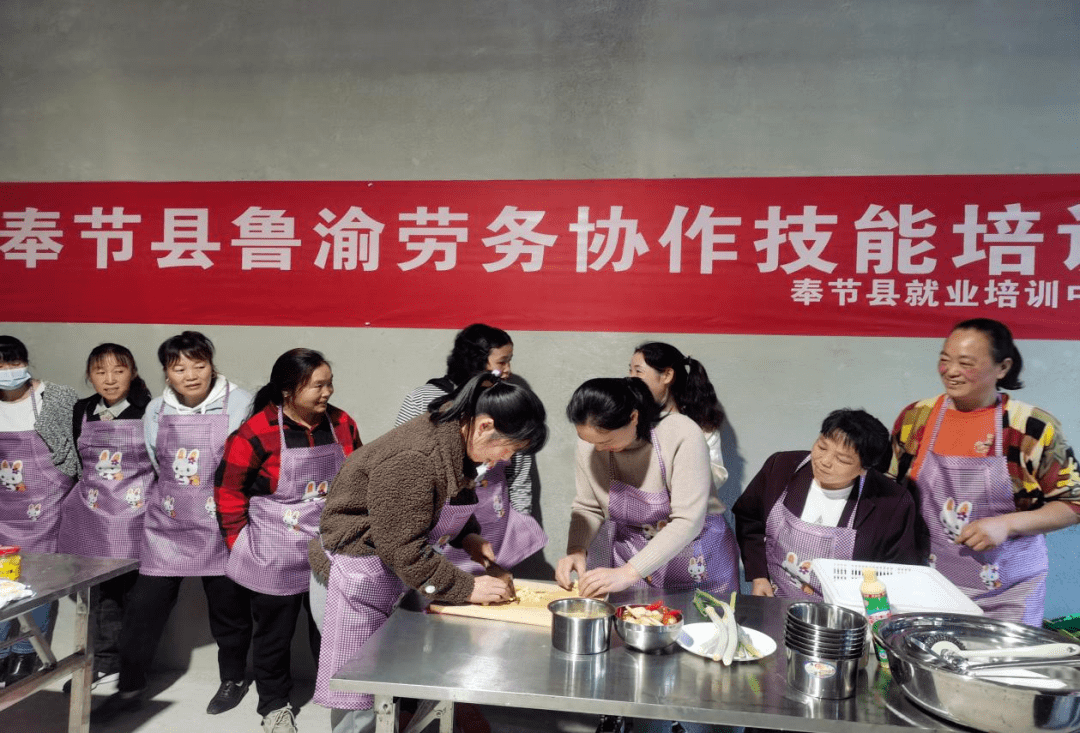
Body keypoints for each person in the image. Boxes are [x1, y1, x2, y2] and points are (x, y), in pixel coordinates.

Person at [311, 373, 547, 733]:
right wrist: (469, 588)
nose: (504, 459)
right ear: (485, 426)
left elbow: (442, 499)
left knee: (390, 681)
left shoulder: (455, 437)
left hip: (385, 565)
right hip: (353, 572)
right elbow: (402, 547)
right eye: (508, 448)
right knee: (361, 698)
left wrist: (468, 536)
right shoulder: (416, 457)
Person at [92, 331, 255, 724]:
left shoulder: (241, 401)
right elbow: (155, 459)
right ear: (166, 373)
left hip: (221, 523)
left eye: (199, 365)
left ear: (212, 365)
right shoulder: (156, 412)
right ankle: (129, 686)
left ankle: (232, 679)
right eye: (179, 367)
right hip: (167, 524)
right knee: (142, 609)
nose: (191, 375)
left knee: (228, 610)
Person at [890, 318, 1080, 625]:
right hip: (928, 587)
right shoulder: (916, 418)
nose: (951, 371)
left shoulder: (1030, 427)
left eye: (965, 363)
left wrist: (1007, 524)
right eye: (944, 360)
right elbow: (891, 492)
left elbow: (1073, 505)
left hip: (1009, 594)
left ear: (1002, 368)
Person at [215, 349, 362, 733]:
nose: (327, 392)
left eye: (329, 383)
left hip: (329, 548)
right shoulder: (256, 432)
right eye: (318, 385)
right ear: (287, 390)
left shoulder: (342, 423)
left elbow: (358, 479)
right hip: (273, 551)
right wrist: (238, 544)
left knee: (333, 631)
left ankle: (342, 700)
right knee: (273, 637)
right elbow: (228, 491)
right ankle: (274, 707)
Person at [557, 377, 739, 599]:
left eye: (605, 441)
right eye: (588, 440)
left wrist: (628, 572)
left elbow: (687, 521)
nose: (597, 449)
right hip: (633, 558)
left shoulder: (680, 433)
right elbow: (588, 507)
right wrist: (577, 549)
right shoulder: (590, 443)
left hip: (696, 556)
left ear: (633, 417)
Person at [396, 323, 545, 572]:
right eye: (502, 362)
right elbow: (403, 466)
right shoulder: (423, 400)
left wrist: (520, 522)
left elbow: (519, 475)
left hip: (493, 526)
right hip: (438, 527)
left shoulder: (506, 403)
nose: (508, 371)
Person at [732, 409, 923, 600]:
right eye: (822, 447)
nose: (825, 462)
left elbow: (898, 573)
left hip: (842, 611)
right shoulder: (781, 467)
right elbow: (749, 518)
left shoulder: (892, 503)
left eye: (842, 459)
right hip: (775, 598)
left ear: (865, 468)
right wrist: (759, 577)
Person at [56, 343, 154, 691]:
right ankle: (100, 663)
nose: (109, 379)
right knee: (97, 593)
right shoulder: (82, 409)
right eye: (100, 371)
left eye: (119, 370)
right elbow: (77, 463)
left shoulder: (150, 410)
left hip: (136, 515)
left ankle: (129, 670)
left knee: (134, 595)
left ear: (133, 373)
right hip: (93, 515)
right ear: (89, 375)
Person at [0, 335, 78, 685]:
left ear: (26, 362)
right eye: (1, 366)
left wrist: (62, 485)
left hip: (46, 506)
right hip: (4, 506)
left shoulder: (56, 398)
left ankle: (26, 653)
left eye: (14, 363)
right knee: (3, 583)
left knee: (39, 581)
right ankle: (1, 652)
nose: (9, 371)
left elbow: (73, 451)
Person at [629, 342, 728, 492]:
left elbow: (717, 476)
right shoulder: (630, 419)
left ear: (667, 375)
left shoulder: (699, 423)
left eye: (638, 372)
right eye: (630, 371)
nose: (631, 378)